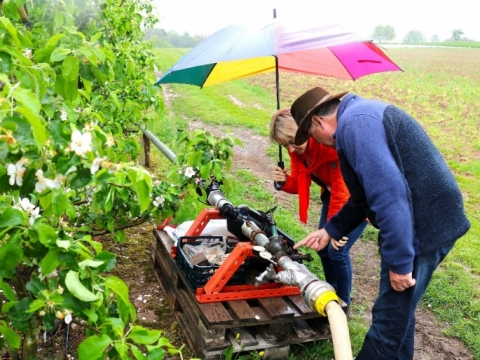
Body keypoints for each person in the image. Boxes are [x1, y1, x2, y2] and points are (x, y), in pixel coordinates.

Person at [290, 87, 471, 359]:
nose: (315, 141)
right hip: (424, 218)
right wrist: (331, 230)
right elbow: (363, 198)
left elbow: (389, 195)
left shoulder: (356, 124)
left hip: (423, 226)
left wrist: (399, 262)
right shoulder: (357, 118)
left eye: (311, 134)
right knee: (400, 316)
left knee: (387, 322)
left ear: (318, 122)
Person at [269, 108, 368, 311]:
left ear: (303, 130)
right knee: (323, 248)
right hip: (333, 195)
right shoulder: (298, 149)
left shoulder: (331, 148)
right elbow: (298, 183)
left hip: (357, 201)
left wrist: (336, 230)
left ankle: (343, 302)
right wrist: (283, 181)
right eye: (284, 145)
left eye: (291, 141)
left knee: (337, 250)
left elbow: (343, 193)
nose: (290, 149)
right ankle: (330, 290)